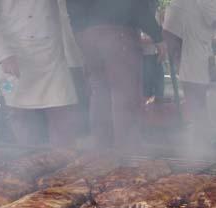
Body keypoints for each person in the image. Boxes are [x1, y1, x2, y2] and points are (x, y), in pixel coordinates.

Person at [0, 0, 81, 146]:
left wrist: (75, 52)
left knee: (62, 109)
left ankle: (64, 155)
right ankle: (28, 154)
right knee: (19, 113)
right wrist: (3, 55)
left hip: (52, 53)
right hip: (13, 57)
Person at [65, 0, 165, 148]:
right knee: (125, 95)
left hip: (85, 35)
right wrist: (157, 35)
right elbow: (134, 4)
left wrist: (80, 33)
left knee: (100, 92)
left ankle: (103, 149)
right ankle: (128, 151)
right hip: (118, 32)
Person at [163, 0, 216, 128]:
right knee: (196, 88)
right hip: (185, 35)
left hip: (178, 31)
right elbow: (213, 19)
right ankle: (200, 130)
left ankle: (198, 127)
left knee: (194, 85)